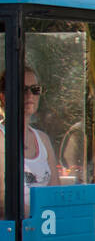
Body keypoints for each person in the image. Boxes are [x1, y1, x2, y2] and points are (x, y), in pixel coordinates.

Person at [0, 64, 59, 215]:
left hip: (44, 229)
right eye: (23, 89)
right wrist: (39, 216)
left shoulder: (43, 139)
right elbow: (2, 200)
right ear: (3, 97)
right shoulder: (1, 138)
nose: (30, 95)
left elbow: (55, 191)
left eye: (35, 89)